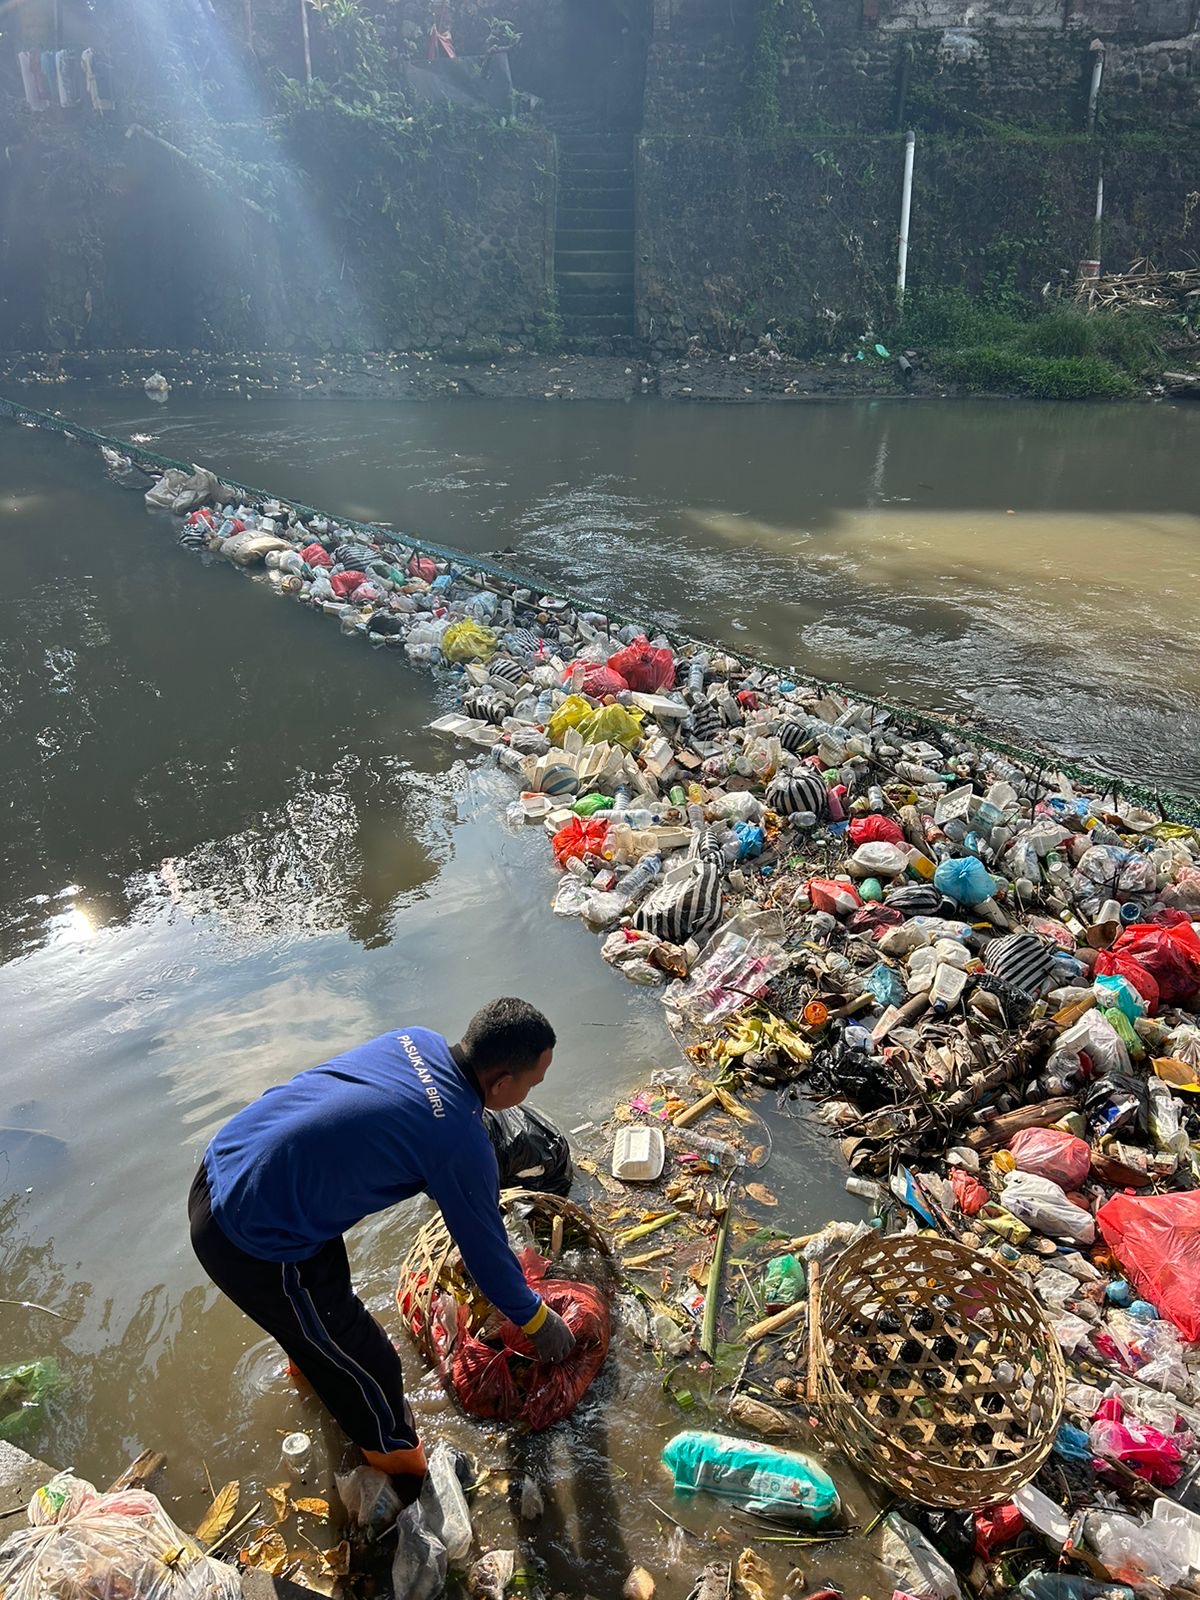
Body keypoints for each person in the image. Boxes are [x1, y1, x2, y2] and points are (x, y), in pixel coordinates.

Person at [188, 997, 575, 1498]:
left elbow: (390, 1124)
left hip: (231, 1164)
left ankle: (312, 1376)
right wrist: (540, 1322)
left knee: (323, 1328)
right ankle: (406, 1484)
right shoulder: (458, 1138)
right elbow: (487, 1260)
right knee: (375, 1369)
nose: (528, 1094)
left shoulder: (415, 1040)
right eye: (531, 1083)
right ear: (501, 1083)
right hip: (251, 1235)